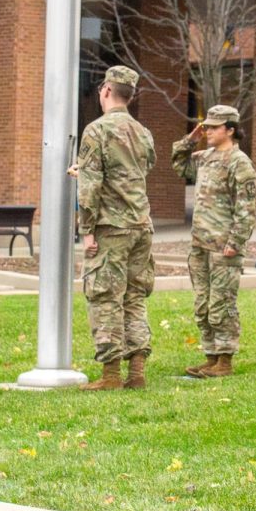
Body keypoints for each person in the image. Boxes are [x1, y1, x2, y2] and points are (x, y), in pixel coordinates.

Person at [75, 66, 156, 391]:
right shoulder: (143, 132)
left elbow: (91, 184)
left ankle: (110, 375)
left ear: (106, 91)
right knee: (135, 296)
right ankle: (136, 372)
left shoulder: (96, 130)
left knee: (105, 295)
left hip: (111, 226)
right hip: (141, 225)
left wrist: (87, 230)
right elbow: (140, 170)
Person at [172, 104, 256, 378]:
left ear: (230, 130)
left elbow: (246, 208)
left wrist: (235, 242)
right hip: (200, 243)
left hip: (224, 246)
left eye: (214, 127)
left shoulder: (239, 162)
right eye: (206, 126)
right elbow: (179, 165)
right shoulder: (205, 157)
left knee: (222, 303)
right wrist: (190, 139)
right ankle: (210, 356)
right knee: (203, 302)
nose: (208, 130)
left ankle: (225, 359)